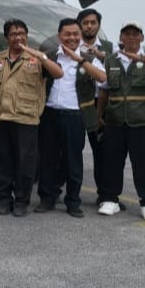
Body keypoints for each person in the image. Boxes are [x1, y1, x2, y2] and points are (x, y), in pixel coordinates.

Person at [96, 22, 145, 220]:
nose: (131, 38)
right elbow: (105, 89)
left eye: (135, 34)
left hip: (141, 121)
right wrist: (98, 115)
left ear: (142, 37)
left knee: (144, 164)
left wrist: (143, 59)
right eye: (127, 34)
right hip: (115, 120)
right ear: (121, 38)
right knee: (112, 162)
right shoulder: (111, 60)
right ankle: (110, 199)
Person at [0, 18, 63, 217]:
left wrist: (42, 57)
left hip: (27, 119)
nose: (18, 37)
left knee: (25, 163)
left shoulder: (37, 59)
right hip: (2, 118)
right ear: (6, 37)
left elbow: (58, 74)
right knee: (2, 162)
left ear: (27, 36)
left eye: (22, 33)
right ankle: (4, 200)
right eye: (13, 34)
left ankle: (22, 201)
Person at [35, 18, 106, 218]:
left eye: (76, 34)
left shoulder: (89, 59)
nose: (72, 37)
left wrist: (79, 59)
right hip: (49, 113)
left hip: (75, 116)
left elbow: (102, 78)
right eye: (67, 34)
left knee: (73, 160)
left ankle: (73, 201)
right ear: (60, 36)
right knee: (47, 158)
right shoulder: (49, 56)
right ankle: (47, 198)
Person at [77, 8, 113, 203]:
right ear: (80, 25)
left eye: (93, 22)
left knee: (103, 152)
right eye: (85, 23)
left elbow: (115, 72)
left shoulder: (109, 47)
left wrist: (100, 55)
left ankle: (105, 194)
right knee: (71, 149)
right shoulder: (73, 45)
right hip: (77, 103)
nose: (89, 26)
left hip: (101, 103)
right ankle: (61, 192)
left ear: (99, 25)